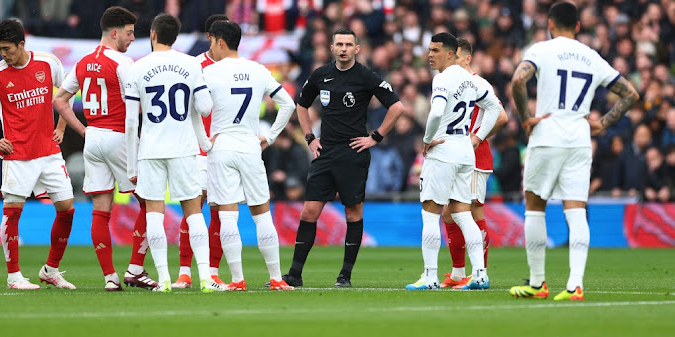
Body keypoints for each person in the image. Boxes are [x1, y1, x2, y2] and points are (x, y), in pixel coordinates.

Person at [509, 1, 639, 301]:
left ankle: (538, 283)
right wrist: (602, 124)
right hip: (580, 139)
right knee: (576, 209)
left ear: (550, 24)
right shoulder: (591, 56)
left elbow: (518, 79)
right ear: (578, 27)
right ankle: (575, 285)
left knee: (534, 206)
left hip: (547, 136)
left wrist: (526, 117)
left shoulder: (541, 50)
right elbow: (630, 94)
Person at [283, 27, 405, 288]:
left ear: (357, 49)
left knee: (353, 213)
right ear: (331, 48)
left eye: (349, 44)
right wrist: (309, 138)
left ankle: (345, 275)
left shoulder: (366, 76)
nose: (343, 48)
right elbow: (301, 105)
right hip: (325, 151)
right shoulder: (320, 75)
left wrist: (376, 137)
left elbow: (397, 107)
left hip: (353, 153)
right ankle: (294, 274)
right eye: (339, 44)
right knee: (308, 212)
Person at [53, 6, 157, 291]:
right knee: (150, 201)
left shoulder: (83, 63)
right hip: (119, 136)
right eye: (129, 33)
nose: (132, 38)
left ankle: (110, 277)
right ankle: (135, 268)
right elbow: (137, 105)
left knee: (101, 209)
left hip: (94, 138)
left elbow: (60, 101)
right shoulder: (123, 63)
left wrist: (83, 129)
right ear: (114, 33)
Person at [0, 19, 76, 290]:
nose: (3, 54)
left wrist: (62, 124)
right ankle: (14, 276)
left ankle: (50, 270)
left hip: (49, 152)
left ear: (21, 44)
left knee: (67, 210)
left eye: (7, 48)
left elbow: (68, 91)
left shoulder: (47, 63)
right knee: (12, 213)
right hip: (17, 154)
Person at [124, 13, 224, 293]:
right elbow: (204, 108)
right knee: (193, 214)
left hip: (151, 150)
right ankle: (205, 279)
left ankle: (164, 280)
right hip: (184, 149)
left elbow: (132, 122)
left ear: (153, 35)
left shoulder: (137, 67)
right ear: (176, 38)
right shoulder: (191, 64)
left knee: (154, 214)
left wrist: (131, 166)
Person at [201, 20, 297, 291]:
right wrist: (271, 136)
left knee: (228, 215)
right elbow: (287, 104)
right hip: (250, 146)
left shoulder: (210, 72)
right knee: (262, 214)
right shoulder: (258, 70)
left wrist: (204, 142)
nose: (211, 47)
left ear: (220, 42)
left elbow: (199, 109)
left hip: (222, 147)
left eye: (212, 42)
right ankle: (277, 278)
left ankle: (237, 280)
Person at [405, 32, 502, 291]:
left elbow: (436, 111)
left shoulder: (442, 79)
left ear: (450, 53)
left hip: (444, 149)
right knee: (463, 215)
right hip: (465, 151)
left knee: (430, 213)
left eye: (436, 50)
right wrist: (478, 136)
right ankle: (480, 275)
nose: (429, 55)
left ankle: (430, 276)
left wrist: (427, 139)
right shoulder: (471, 80)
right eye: (429, 50)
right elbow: (494, 108)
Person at [439, 38, 508, 288]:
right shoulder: (454, 82)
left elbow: (501, 116)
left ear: (467, 59)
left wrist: (478, 138)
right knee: (449, 214)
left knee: (472, 212)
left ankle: (480, 273)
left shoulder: (478, 83)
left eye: (454, 57)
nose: (451, 63)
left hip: (476, 159)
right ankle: (458, 273)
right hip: (457, 157)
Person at [174, 13, 228, 290]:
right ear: (211, 38)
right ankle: (185, 272)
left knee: (220, 212)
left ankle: (214, 272)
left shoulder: (237, 67)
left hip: (225, 151)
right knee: (192, 211)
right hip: (197, 149)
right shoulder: (193, 66)